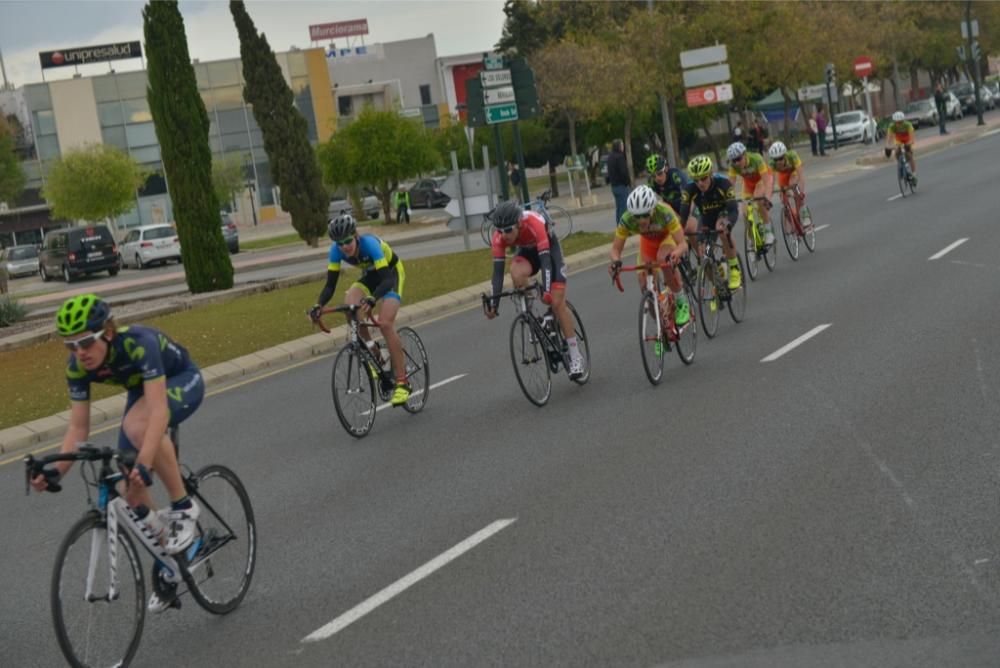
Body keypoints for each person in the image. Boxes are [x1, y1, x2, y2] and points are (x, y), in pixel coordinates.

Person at [32, 293, 205, 613]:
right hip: (143, 396)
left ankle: (184, 507)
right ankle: (174, 562)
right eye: (70, 345)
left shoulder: (139, 344)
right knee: (129, 489)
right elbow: (78, 429)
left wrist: (143, 461)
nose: (79, 352)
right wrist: (55, 470)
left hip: (182, 378)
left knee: (140, 428)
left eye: (85, 342)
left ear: (107, 333)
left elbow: (156, 414)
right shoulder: (78, 367)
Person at [309, 213, 412, 405]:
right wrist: (318, 305)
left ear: (355, 235)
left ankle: (402, 382)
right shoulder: (336, 251)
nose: (344, 246)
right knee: (350, 305)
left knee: (385, 323)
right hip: (371, 276)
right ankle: (375, 354)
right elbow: (330, 286)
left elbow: (387, 280)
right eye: (340, 243)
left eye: (348, 240)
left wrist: (373, 298)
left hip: (391, 274)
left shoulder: (370, 244)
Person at [484, 200, 586, 378]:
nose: (504, 235)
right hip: (527, 254)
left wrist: (546, 292)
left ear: (518, 223)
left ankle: (576, 355)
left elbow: (546, 262)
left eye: (508, 230)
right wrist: (494, 305)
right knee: (515, 273)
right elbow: (498, 274)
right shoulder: (499, 238)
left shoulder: (534, 223)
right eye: (500, 231)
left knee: (556, 302)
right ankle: (534, 317)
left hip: (549, 252)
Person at [609, 185, 691, 327]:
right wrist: (615, 262)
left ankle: (681, 300)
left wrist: (676, 254)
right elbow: (615, 249)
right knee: (644, 283)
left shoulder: (664, 212)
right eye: (637, 216)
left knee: (663, 258)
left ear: (653, 209)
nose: (641, 220)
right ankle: (661, 324)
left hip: (666, 239)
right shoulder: (626, 219)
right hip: (648, 243)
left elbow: (683, 244)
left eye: (645, 215)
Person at [679, 155, 743, 290]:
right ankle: (718, 284)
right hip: (706, 217)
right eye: (696, 180)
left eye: (703, 178)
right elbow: (683, 215)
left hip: (723, 213)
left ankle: (734, 268)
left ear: (711, 174)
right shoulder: (689, 189)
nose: (700, 183)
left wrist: (729, 224)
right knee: (704, 253)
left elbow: (733, 210)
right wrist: (678, 233)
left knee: (721, 229)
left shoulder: (724, 183)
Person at [726, 141, 775, 246]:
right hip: (748, 184)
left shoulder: (756, 158)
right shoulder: (733, 166)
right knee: (744, 212)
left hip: (761, 180)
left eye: (739, 159)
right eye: (734, 161)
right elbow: (730, 186)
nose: (737, 163)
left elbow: (766, 180)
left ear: (745, 154)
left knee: (758, 198)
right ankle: (752, 240)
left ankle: (768, 229)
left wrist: (767, 197)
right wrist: (727, 201)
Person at [767, 141, 808, 229]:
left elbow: (801, 176)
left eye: (781, 158)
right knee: (783, 199)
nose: (778, 162)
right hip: (783, 175)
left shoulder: (792, 155)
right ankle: (794, 224)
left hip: (794, 172)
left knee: (792, 184)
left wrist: (801, 192)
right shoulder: (771, 163)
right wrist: (768, 199)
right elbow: (771, 181)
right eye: (776, 159)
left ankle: (804, 212)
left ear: (785, 155)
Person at [884, 110, 917, 185]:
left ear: (903, 121)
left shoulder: (908, 125)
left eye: (901, 122)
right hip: (899, 140)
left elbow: (912, 139)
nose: (899, 124)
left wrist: (909, 144)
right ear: (894, 122)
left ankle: (914, 174)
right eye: (897, 122)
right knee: (896, 152)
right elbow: (888, 139)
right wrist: (887, 146)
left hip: (907, 139)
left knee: (909, 155)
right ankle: (900, 166)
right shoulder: (891, 126)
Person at [607, 139, 631, 227]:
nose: (623, 147)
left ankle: (619, 225)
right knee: (624, 208)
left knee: (618, 208)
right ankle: (624, 227)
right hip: (621, 185)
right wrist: (627, 182)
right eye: (622, 145)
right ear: (619, 146)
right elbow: (623, 172)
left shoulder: (610, 157)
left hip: (614, 186)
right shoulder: (619, 157)